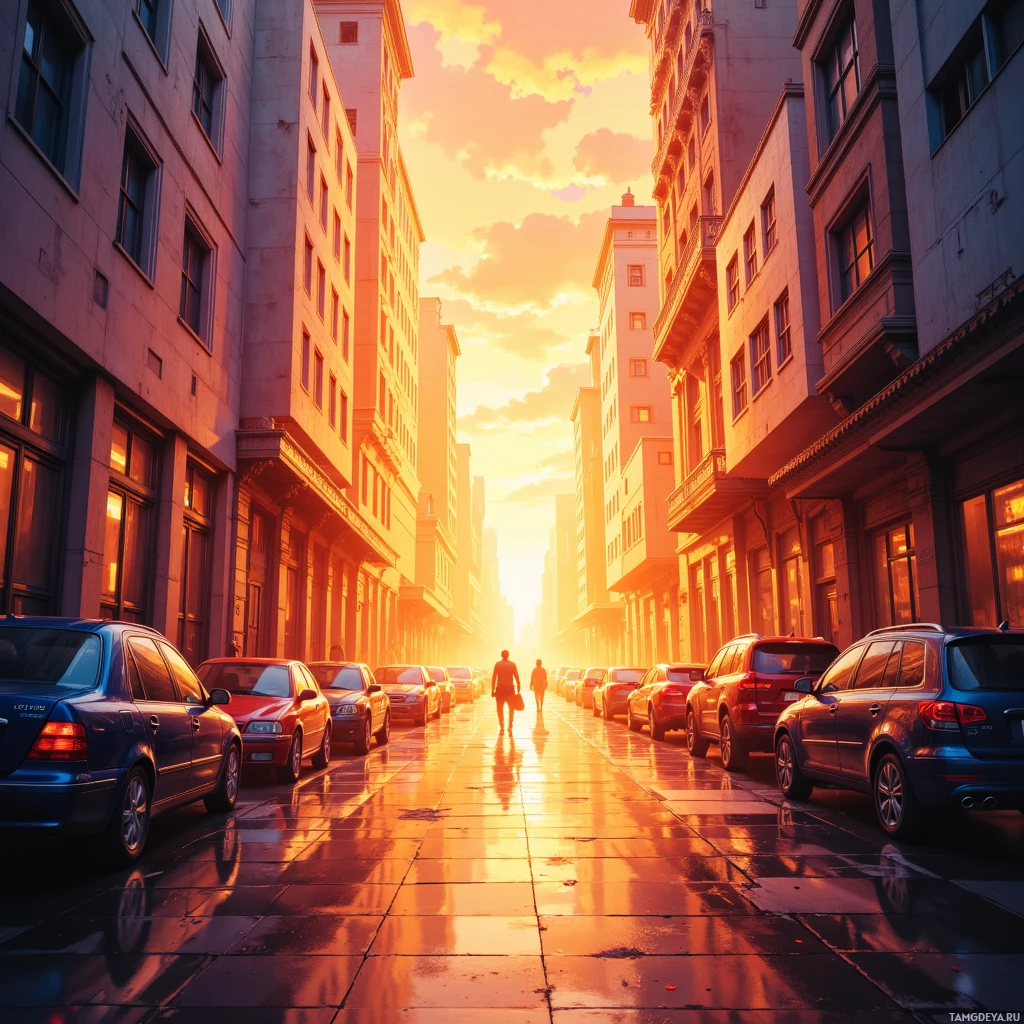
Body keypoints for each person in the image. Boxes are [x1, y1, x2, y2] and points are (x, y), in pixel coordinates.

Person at [491, 649, 521, 735]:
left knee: (499, 709)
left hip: (500, 690)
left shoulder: (497, 664)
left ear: (501, 655)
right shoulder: (512, 664)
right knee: (511, 708)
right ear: (508, 655)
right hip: (510, 690)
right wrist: (518, 686)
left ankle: (502, 727)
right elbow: (516, 676)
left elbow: (494, 678)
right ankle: (510, 726)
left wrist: (492, 690)